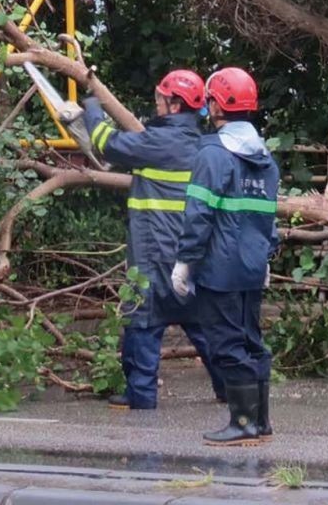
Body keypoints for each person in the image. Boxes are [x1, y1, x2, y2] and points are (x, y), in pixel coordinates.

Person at [82, 70, 227, 410]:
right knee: (201, 325)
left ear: (175, 105)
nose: (156, 102)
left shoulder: (156, 143)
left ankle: (141, 397)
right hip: (192, 254)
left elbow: (106, 142)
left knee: (143, 321)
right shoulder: (204, 146)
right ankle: (230, 388)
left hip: (153, 251)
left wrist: (89, 107)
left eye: (161, 98)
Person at [170, 66, 279, 445]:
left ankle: (244, 423)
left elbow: (199, 215)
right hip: (251, 265)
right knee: (251, 340)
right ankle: (260, 422)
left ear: (216, 106)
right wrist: (265, 257)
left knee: (227, 343)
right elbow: (267, 217)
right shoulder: (265, 158)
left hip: (219, 268)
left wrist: (185, 262)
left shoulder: (213, 153)